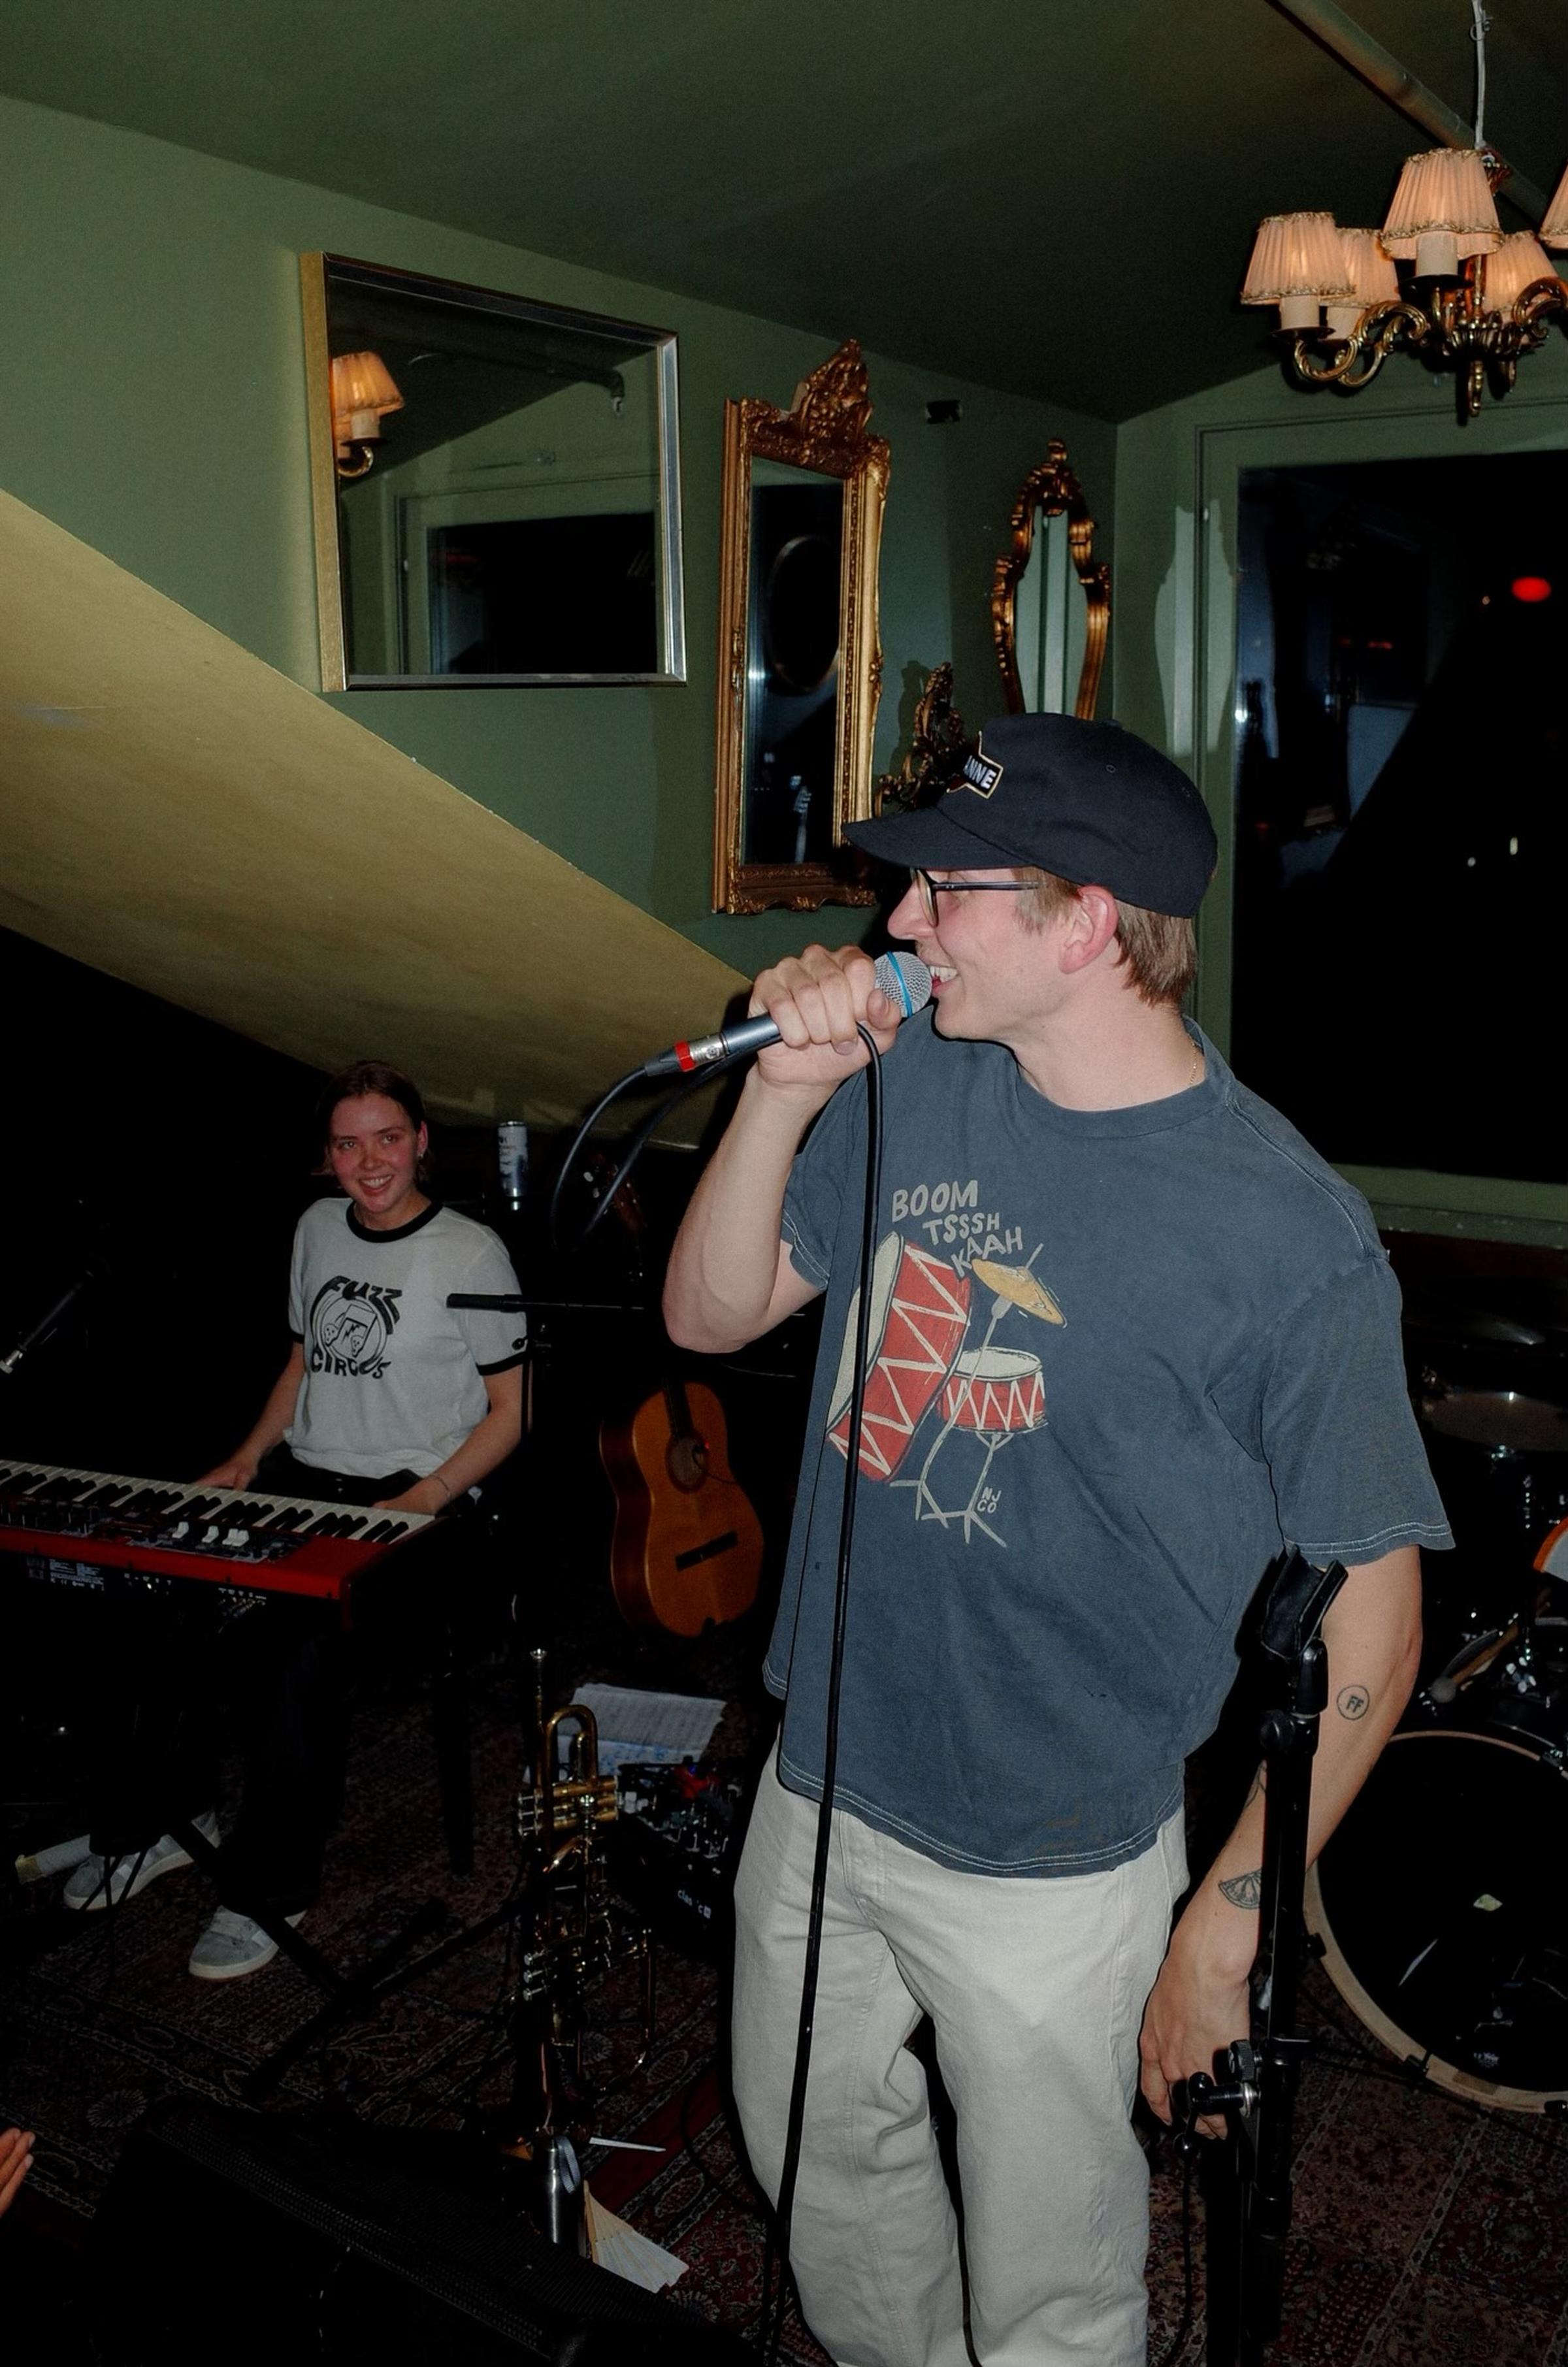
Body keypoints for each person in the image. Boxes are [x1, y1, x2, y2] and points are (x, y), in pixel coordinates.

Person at [663, 713, 1450, 2367]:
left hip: (1054, 1858)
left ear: (1086, 922)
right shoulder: (919, 1076)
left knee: (1052, 2296)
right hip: (819, 1789)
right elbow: (710, 1313)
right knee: (826, 2175)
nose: (897, 926)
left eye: (946, 892)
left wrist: (1223, 1928)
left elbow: (1378, 1630)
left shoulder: (1285, 1237)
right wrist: (782, 1103)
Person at [65, 1060, 525, 1981]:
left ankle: (270, 1888)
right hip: (308, 1483)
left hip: (421, 1507)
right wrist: (246, 1457)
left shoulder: (472, 1253)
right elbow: (300, 1362)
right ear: (328, 1157)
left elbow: (512, 1411)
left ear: (422, 1141)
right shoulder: (317, 1227)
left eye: (388, 1138)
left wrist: (425, 1497)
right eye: (349, 1144)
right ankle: (161, 1818)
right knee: (162, 1598)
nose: (371, 1160)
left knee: (292, 1656)